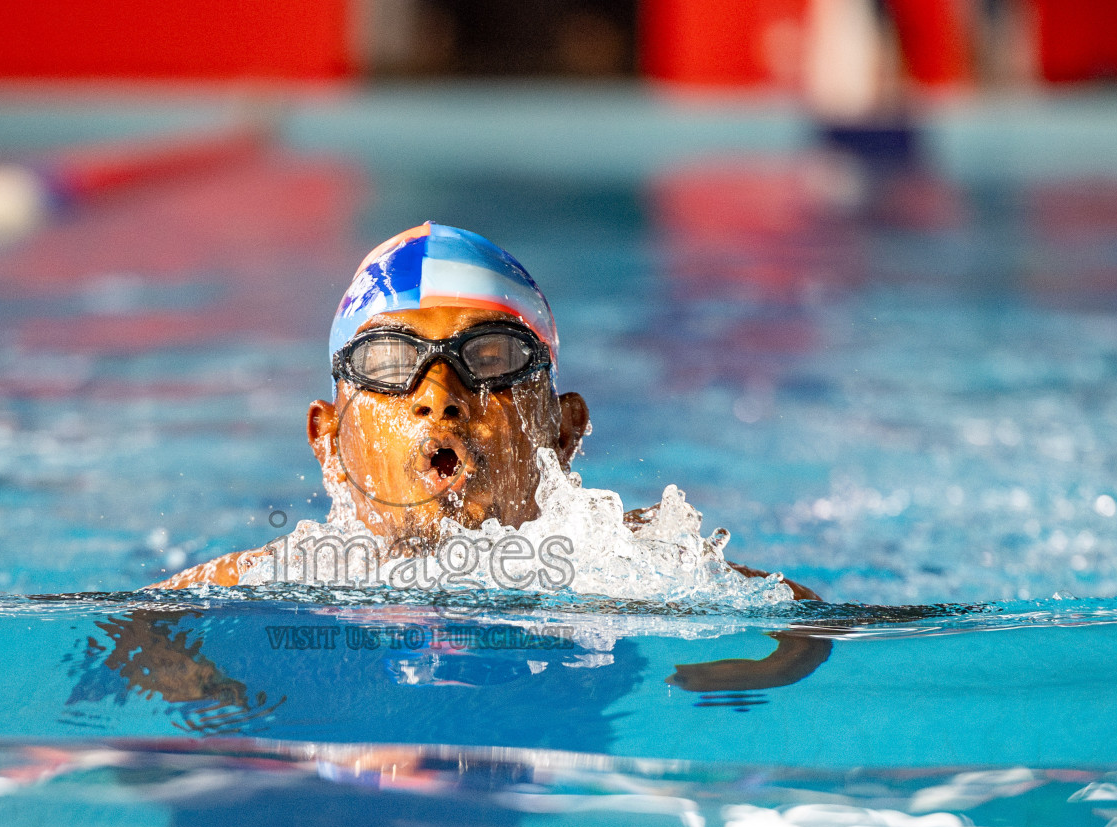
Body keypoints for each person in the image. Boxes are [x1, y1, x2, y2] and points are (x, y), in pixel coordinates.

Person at [148, 221, 828, 690]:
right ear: (329, 441)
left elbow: (803, 618)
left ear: (563, 434)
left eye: (492, 357)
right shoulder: (286, 574)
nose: (438, 397)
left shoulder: (612, 555)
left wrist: (751, 676)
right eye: (388, 362)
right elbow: (141, 628)